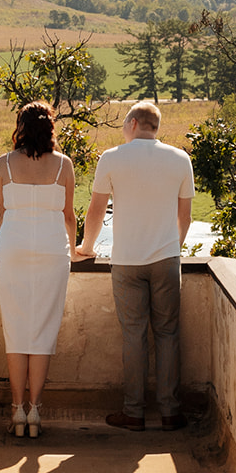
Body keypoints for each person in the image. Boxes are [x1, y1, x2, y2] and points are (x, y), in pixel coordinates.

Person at [75, 100, 194, 431]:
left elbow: (96, 212)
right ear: (155, 127)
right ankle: (171, 413)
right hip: (167, 259)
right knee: (168, 333)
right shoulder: (180, 159)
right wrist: (172, 247)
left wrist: (86, 248)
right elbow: (184, 217)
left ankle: (134, 412)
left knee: (134, 335)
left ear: (131, 124)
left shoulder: (111, 158)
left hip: (126, 261)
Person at [0, 100, 76, 438]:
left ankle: (16, 409)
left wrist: (4, 244)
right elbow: (69, 216)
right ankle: (35, 410)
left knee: (16, 328)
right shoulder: (63, 165)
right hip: (53, 251)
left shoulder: (4, 164)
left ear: (20, 127)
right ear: (50, 127)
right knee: (43, 330)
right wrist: (76, 248)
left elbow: (1, 213)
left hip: (12, 250)